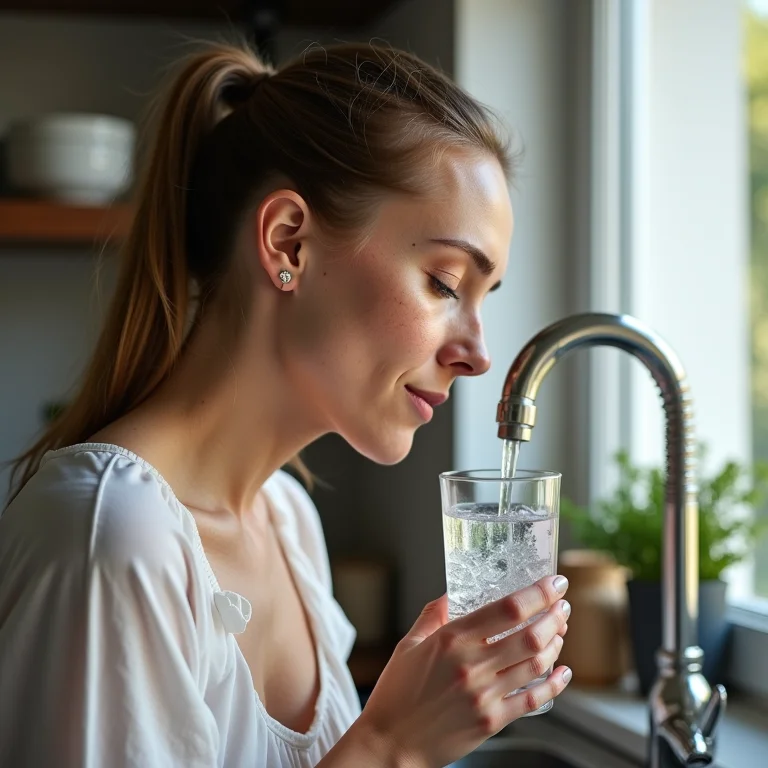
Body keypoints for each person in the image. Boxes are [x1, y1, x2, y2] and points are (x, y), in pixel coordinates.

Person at [0, 41, 572, 768]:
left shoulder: (289, 524)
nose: (478, 353)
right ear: (288, 242)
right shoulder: (112, 538)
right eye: (443, 281)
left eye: (483, 298)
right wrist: (392, 747)